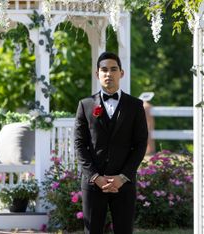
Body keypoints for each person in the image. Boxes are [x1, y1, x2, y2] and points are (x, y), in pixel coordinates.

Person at [74, 52, 148, 234]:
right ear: (97, 74)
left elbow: (140, 144)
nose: (109, 74)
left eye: (113, 69)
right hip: (93, 183)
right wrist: (95, 177)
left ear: (121, 73)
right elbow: (79, 144)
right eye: (104, 70)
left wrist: (122, 177)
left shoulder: (135, 106)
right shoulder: (85, 105)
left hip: (124, 183)